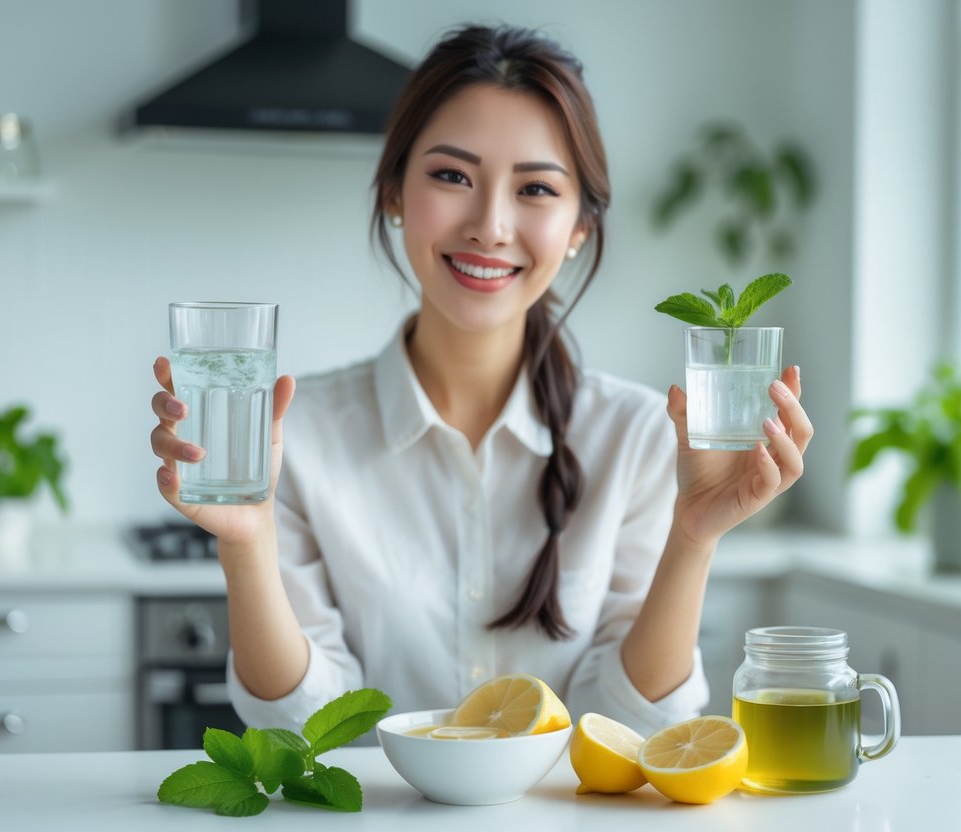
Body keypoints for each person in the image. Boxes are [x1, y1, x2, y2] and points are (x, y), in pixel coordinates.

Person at [149, 24, 812, 736]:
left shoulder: (641, 437)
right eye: (451, 176)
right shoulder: (293, 436)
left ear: (579, 227)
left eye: (534, 188)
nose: (491, 226)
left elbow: (623, 728)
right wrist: (244, 545)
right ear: (393, 193)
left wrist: (693, 537)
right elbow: (307, 727)